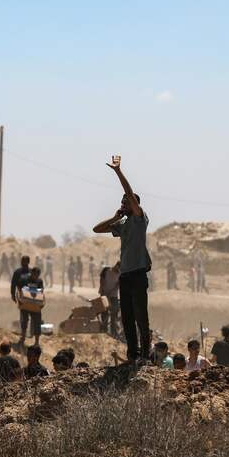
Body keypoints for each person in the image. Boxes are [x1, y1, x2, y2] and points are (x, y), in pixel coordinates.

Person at [93, 156, 151, 364]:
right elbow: (97, 229)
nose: (123, 204)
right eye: (122, 202)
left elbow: (129, 193)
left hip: (138, 274)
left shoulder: (139, 218)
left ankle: (145, 355)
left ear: (134, 204)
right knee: (127, 319)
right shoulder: (124, 223)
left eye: (126, 202)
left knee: (141, 318)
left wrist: (118, 172)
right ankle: (133, 355)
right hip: (125, 277)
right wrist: (115, 217)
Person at [17, 267, 45, 349]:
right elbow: (19, 288)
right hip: (25, 305)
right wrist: (20, 299)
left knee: (37, 322)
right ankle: (22, 338)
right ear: (31, 273)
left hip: (35, 305)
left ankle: (36, 342)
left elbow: (41, 291)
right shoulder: (24, 279)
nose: (35, 276)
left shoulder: (39, 281)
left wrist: (41, 303)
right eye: (34, 274)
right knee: (24, 321)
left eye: (37, 275)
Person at [98, 264, 121, 338]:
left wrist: (112, 292)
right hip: (104, 294)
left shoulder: (120, 274)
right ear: (116, 266)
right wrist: (104, 292)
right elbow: (101, 281)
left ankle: (113, 331)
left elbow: (118, 284)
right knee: (104, 312)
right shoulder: (106, 270)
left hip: (113, 296)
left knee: (114, 312)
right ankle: (104, 330)